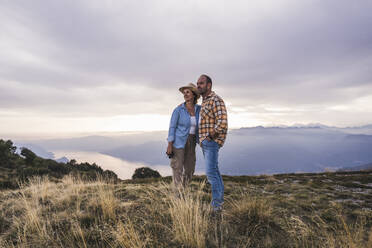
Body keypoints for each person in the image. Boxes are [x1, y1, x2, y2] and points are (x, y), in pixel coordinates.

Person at [197, 74, 228, 211]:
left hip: (211, 142)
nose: (198, 86)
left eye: (201, 83)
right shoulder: (204, 101)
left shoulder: (216, 100)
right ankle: (219, 203)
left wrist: (210, 136)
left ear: (209, 85)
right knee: (215, 172)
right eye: (198, 83)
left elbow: (222, 122)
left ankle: (216, 206)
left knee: (211, 174)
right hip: (206, 142)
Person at [167, 83, 201, 188]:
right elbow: (172, 127)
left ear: (194, 94)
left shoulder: (199, 109)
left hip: (192, 141)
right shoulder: (178, 110)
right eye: (184, 93)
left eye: (188, 92)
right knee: (177, 168)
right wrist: (170, 144)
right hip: (178, 142)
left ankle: (184, 189)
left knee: (190, 168)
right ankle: (178, 196)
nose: (185, 94)